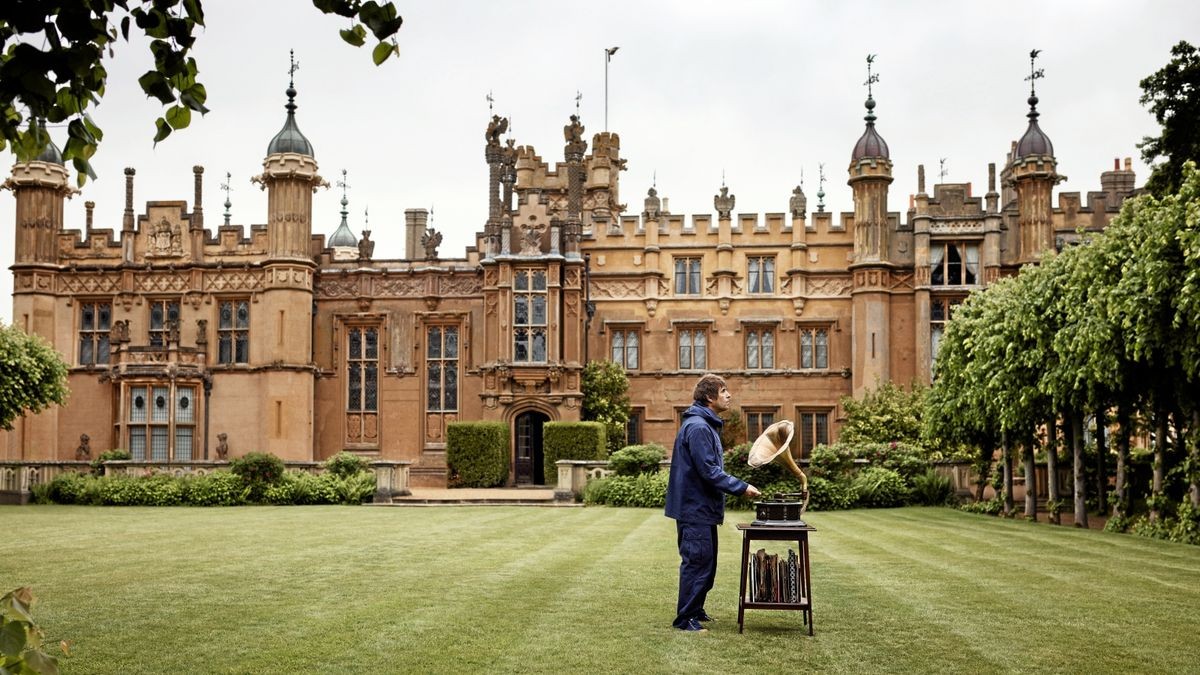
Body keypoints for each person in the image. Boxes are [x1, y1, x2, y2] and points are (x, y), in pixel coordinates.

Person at [664, 374, 760, 632]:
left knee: (707, 564)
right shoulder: (698, 427)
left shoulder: (705, 425)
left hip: (701, 509)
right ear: (709, 397)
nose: (729, 395)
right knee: (697, 563)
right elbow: (708, 470)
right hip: (694, 509)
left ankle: (696, 609)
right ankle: (685, 619)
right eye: (724, 390)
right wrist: (742, 487)